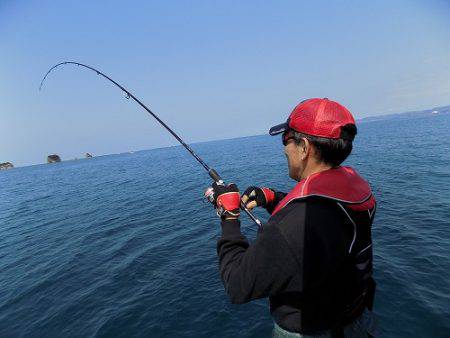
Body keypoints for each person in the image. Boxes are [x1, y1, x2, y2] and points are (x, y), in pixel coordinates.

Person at [205, 98, 378, 337]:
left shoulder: (290, 227)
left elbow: (237, 285)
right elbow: (323, 219)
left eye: (286, 140)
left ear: (305, 147)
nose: (284, 148)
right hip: (357, 319)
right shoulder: (357, 194)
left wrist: (229, 217)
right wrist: (273, 198)